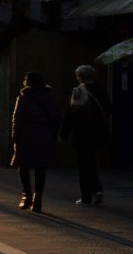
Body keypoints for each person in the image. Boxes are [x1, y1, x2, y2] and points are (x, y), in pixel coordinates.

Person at [60, 64, 112, 206]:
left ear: (79, 77)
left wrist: (63, 134)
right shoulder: (101, 90)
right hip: (98, 134)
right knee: (93, 163)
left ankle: (86, 196)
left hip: (81, 135)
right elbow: (108, 110)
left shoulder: (78, 91)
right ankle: (97, 190)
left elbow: (70, 114)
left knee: (84, 166)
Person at [10, 71, 60, 213]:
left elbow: (17, 118)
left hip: (26, 136)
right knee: (40, 167)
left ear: (28, 82)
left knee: (23, 165)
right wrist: (53, 135)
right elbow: (56, 118)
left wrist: (15, 136)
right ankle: (38, 199)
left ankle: (26, 195)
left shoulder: (23, 98)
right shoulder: (49, 97)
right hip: (44, 135)